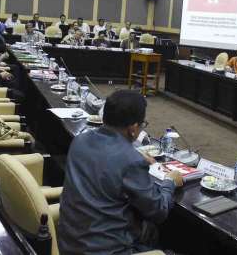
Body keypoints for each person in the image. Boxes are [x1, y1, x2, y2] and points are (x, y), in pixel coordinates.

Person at [57, 89, 182, 254]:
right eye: (142, 125)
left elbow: (106, 160)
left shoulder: (80, 139)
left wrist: (131, 154)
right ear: (134, 128)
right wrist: (170, 181)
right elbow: (158, 211)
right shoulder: (131, 161)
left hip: (69, 243)